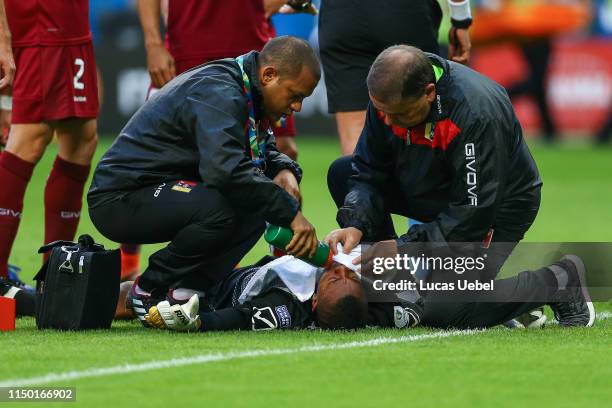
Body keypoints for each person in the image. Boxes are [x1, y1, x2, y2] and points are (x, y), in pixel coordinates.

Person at [88, 36, 321, 322]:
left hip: (158, 189)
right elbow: (224, 170)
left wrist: (285, 170)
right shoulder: (220, 91)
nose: (297, 107)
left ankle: (187, 292)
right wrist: (291, 213)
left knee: (255, 204)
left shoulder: (247, 89)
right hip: (120, 197)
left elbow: (262, 148)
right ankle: (148, 288)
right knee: (223, 204)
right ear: (269, 75)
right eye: (295, 95)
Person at [325, 45, 542, 276]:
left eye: (399, 115)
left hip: (495, 208)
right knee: (344, 172)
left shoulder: (475, 114)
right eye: (383, 111)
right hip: (433, 185)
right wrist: (356, 224)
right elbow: (369, 170)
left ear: (429, 93)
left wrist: (403, 248)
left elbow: (472, 213)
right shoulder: (390, 98)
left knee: (447, 308)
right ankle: (392, 284)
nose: (387, 121)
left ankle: (557, 281)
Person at [135, 253, 595, 332]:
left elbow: (234, 319)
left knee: (452, 303)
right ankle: (558, 280)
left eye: (338, 276)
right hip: (400, 277)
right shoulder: (293, 299)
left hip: (395, 266)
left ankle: (559, 279)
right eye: (338, 275)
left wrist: (198, 322)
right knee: (453, 306)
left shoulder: (286, 298)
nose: (336, 271)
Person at [0, 0, 99, 280]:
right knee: (30, 137)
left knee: (81, 141)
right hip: (42, 25)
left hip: (72, 24)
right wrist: (2, 37)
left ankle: (55, 280)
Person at [318, 0, 473, 155]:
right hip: (404, 13)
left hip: (342, 15)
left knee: (356, 136)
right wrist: (461, 20)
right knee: (421, 126)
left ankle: (361, 178)